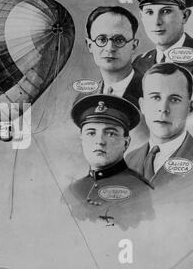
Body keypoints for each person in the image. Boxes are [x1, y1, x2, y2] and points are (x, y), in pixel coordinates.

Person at [66, 94, 154, 230]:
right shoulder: (72, 191)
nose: (100, 141)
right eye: (91, 133)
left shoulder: (141, 191)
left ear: (126, 143)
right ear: (81, 139)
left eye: (110, 133)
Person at [126, 63, 193, 188]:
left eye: (174, 99)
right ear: (142, 105)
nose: (163, 109)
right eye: (156, 97)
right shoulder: (130, 159)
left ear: (190, 108)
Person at [133, 0, 193, 75]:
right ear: (142, 16)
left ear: (185, 16)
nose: (157, 22)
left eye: (166, 11)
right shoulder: (140, 63)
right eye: (149, 12)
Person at [84, 6, 142, 108]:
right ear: (90, 46)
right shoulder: (85, 101)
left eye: (119, 40)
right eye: (101, 39)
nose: (110, 48)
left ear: (133, 46)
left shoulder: (151, 93)